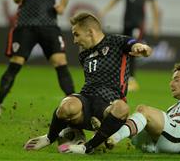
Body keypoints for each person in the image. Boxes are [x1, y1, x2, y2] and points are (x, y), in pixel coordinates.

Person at [24, 12, 152, 154]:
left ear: (90, 32)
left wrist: (142, 48)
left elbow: (134, 45)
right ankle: (50, 138)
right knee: (66, 106)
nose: (74, 40)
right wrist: (50, 137)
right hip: (86, 99)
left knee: (122, 108)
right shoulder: (84, 54)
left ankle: (87, 147)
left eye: (76, 34)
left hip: (109, 104)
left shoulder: (117, 41)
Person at [100, 0, 160, 91]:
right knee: (125, 49)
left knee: (134, 48)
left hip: (139, 24)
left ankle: (131, 79)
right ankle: (125, 78)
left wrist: (156, 24)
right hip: (127, 22)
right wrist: (104, 11)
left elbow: (154, 6)